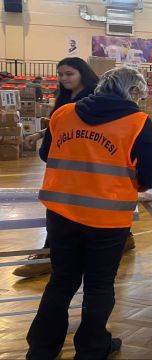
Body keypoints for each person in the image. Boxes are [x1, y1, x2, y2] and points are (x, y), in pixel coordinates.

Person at [26, 67, 152, 359]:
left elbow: (45, 154)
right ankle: (91, 348)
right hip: (107, 217)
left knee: (61, 281)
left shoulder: (64, 113)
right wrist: (137, 183)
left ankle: (41, 350)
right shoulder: (137, 121)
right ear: (134, 92)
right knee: (98, 286)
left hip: (62, 213)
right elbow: (151, 170)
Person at [15, 57, 104, 278]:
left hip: (82, 161)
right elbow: (59, 124)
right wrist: (38, 134)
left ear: (82, 73)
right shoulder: (65, 97)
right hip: (61, 161)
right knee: (61, 207)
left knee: (62, 209)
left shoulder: (94, 97)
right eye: (61, 74)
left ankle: (48, 255)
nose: (64, 78)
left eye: (69, 74)